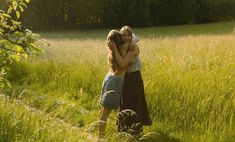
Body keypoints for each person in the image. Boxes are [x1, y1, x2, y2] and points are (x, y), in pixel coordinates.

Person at [98, 30, 138, 140]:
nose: (124, 38)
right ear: (118, 40)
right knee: (105, 112)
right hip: (115, 82)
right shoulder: (122, 49)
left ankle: (100, 136)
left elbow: (134, 40)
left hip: (109, 78)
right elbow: (123, 63)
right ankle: (100, 138)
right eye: (121, 36)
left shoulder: (114, 52)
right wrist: (128, 44)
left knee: (103, 111)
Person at [114, 26, 152, 135]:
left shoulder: (133, 48)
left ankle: (135, 131)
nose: (126, 37)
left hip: (134, 78)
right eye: (123, 35)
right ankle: (124, 130)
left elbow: (123, 63)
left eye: (128, 35)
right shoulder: (124, 46)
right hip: (125, 78)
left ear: (131, 36)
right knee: (124, 103)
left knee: (135, 103)